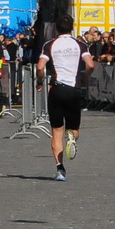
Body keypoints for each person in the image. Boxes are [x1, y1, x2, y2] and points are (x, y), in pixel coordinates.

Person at [37, 16, 93, 181]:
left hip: (56, 89)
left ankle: (60, 169)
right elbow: (90, 64)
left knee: (56, 131)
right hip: (73, 90)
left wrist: (40, 81)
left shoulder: (49, 45)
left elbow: (40, 66)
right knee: (74, 129)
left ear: (56, 29)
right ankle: (72, 137)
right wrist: (85, 78)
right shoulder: (80, 44)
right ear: (72, 27)